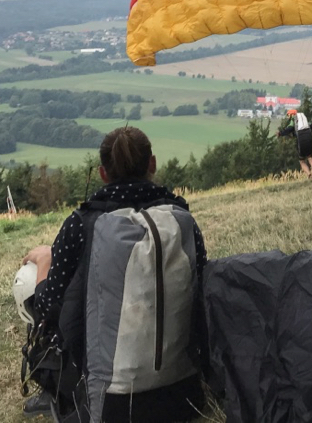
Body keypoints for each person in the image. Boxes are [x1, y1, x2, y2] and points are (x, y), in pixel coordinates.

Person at [19, 126, 207, 422]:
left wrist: (45, 261)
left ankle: (55, 389)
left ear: (103, 173)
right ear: (152, 164)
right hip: (184, 393)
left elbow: (48, 304)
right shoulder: (182, 218)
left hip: (111, 404)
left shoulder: (82, 224)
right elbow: (202, 286)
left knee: (30, 284)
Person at [277, 108, 312, 179]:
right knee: (310, 157)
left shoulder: (293, 119)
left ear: (291, 114)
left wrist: (280, 133)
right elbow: (311, 127)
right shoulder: (303, 120)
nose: (288, 117)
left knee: (302, 160)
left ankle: (309, 175)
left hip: (301, 138)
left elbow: (289, 129)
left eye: (288, 115)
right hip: (309, 136)